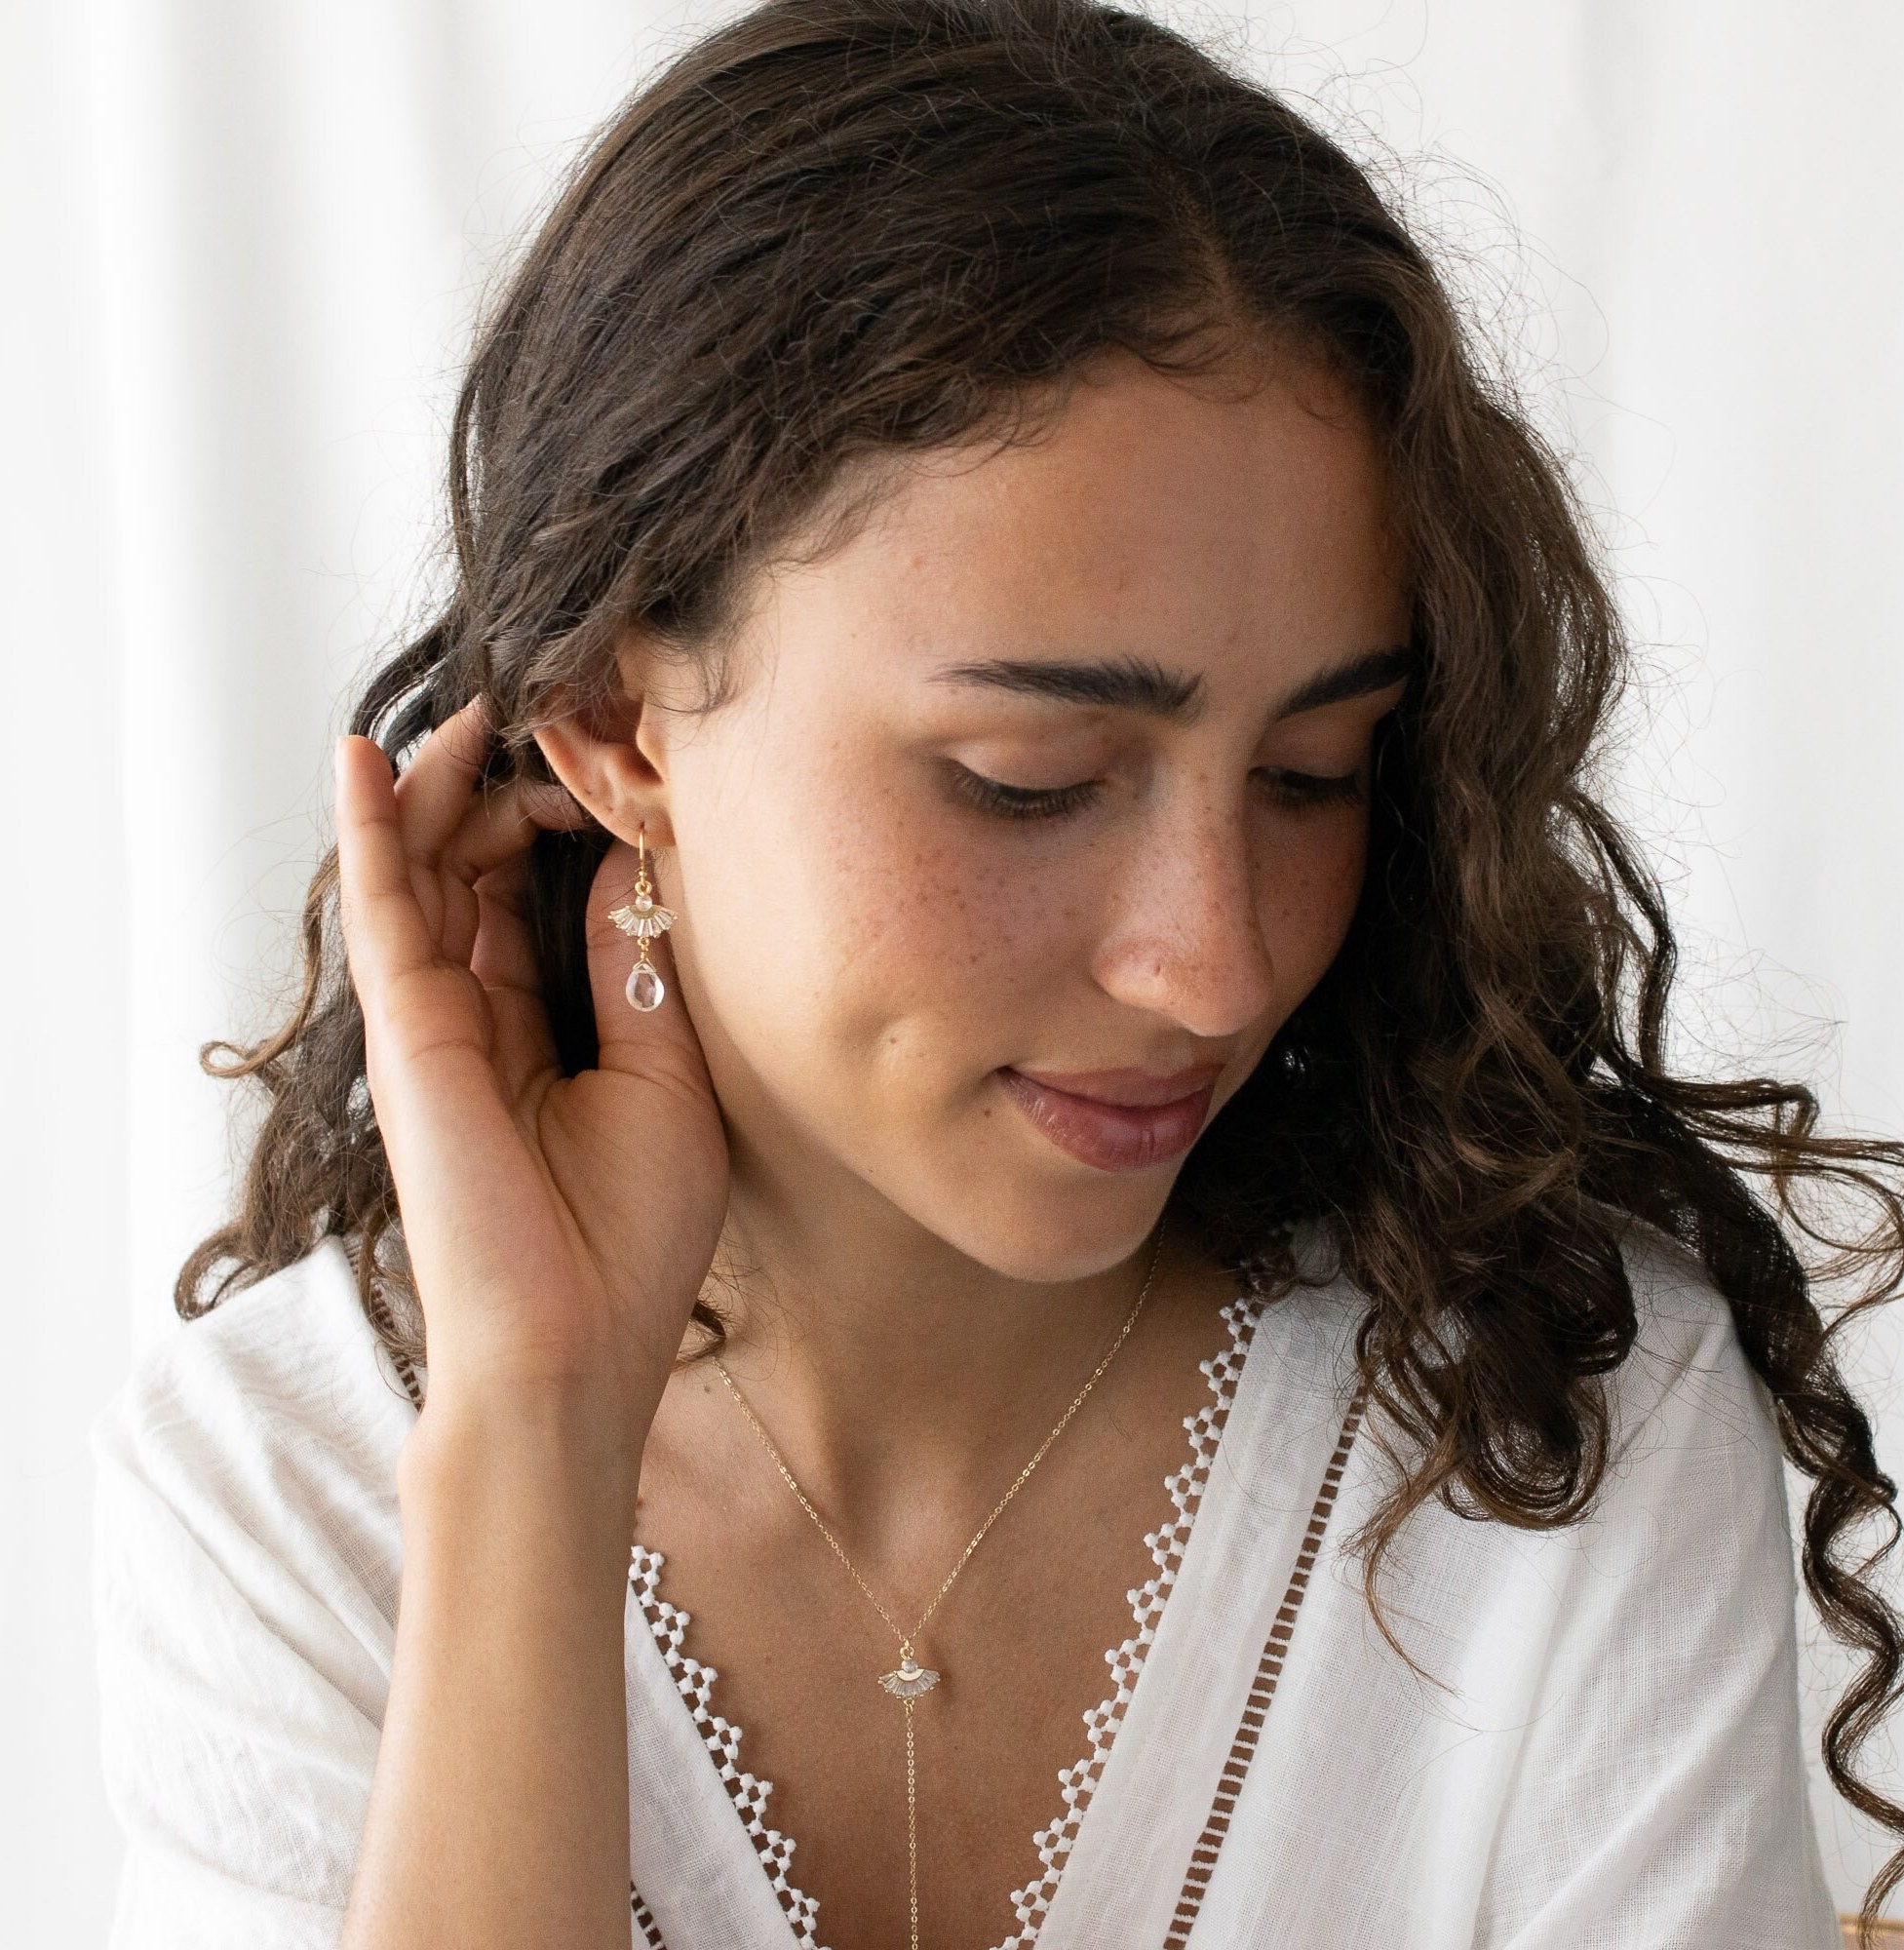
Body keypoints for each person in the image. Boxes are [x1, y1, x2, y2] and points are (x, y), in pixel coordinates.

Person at [90, 0, 1904, 1944]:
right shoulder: (281, 1486)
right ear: (616, 722)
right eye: (1027, 780)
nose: (1212, 965)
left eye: (1310, 771)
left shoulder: (1551, 1435)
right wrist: (533, 1423)